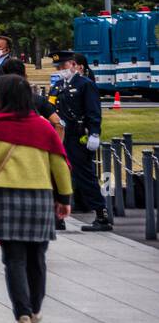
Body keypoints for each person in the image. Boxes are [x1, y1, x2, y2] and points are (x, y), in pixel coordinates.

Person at [0, 74, 73, 323]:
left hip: (5, 197)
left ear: (2, 97)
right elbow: (59, 164)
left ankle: (23, 315)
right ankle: (36, 309)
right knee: (37, 258)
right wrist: (64, 198)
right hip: (39, 197)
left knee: (13, 260)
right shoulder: (42, 127)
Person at [53, 51, 111, 232]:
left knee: (84, 175)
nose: (60, 70)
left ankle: (102, 215)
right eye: (58, 67)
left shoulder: (85, 84)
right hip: (62, 135)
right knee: (58, 175)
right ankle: (58, 216)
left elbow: (93, 111)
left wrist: (94, 133)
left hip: (79, 136)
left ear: (72, 64)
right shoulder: (60, 85)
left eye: (62, 66)